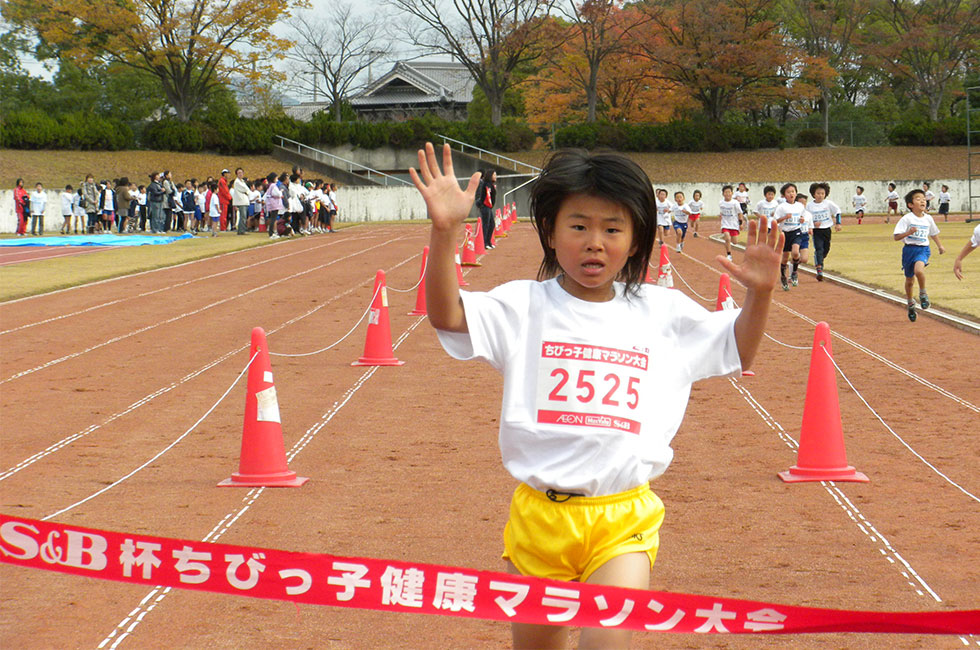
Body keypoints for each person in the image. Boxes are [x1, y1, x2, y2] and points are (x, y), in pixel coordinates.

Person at [409, 142, 782, 650]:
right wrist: (445, 229)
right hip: (540, 516)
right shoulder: (523, 305)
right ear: (550, 232)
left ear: (634, 240)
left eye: (613, 229)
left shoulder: (663, 313)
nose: (595, 243)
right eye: (578, 226)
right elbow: (447, 314)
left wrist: (758, 295)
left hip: (622, 517)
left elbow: (739, 349)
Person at [893, 189, 945, 322]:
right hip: (909, 250)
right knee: (909, 281)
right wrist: (908, 232)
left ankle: (923, 293)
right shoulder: (907, 219)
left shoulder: (928, 218)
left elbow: (933, 233)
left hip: (923, 249)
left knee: (919, 271)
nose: (922, 201)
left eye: (923, 199)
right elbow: (896, 237)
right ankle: (910, 303)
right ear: (910, 205)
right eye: (918, 199)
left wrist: (940, 246)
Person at [773, 182, 805, 291]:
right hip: (785, 233)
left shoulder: (800, 206)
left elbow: (802, 217)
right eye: (788, 192)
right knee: (785, 258)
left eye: (793, 191)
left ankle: (794, 272)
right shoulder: (781, 207)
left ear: (796, 193)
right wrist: (784, 217)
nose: (791, 194)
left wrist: (802, 220)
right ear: (784, 195)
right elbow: (775, 220)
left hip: (796, 231)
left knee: (796, 252)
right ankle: (783, 276)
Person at [807, 182, 841, 282]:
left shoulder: (828, 204)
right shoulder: (809, 206)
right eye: (818, 193)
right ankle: (819, 269)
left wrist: (838, 223)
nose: (820, 195)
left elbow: (837, 211)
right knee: (819, 249)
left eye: (822, 193)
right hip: (816, 231)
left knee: (826, 249)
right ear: (813, 194)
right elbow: (806, 217)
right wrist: (812, 224)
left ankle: (819, 258)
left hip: (826, 229)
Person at [475, 170, 497, 249]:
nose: (495, 176)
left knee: (492, 224)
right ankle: (484, 243)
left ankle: (488, 242)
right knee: (486, 225)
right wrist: (481, 204)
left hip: (489, 207)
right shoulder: (485, 184)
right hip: (485, 206)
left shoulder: (491, 185)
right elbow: (483, 196)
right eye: (494, 175)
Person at [719, 184, 741, 260]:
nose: (727, 194)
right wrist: (721, 215)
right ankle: (729, 254)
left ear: (732, 193)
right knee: (727, 238)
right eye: (726, 192)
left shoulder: (735, 203)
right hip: (725, 224)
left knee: (735, 242)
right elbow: (721, 212)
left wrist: (740, 223)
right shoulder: (721, 203)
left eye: (729, 192)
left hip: (734, 224)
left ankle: (727, 241)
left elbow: (739, 213)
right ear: (723, 194)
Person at [263, 172, 283, 238]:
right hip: (274, 204)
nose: (277, 179)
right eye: (276, 178)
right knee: (273, 219)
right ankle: (271, 233)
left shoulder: (269, 185)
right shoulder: (273, 186)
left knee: (272, 218)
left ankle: (271, 232)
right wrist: (281, 192)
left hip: (271, 204)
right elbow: (277, 194)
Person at [232, 168, 250, 235]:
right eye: (239, 173)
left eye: (241, 172)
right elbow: (245, 189)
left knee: (243, 216)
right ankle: (241, 230)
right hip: (241, 201)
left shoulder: (242, 181)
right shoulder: (237, 182)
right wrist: (247, 192)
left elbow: (247, 189)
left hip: (244, 200)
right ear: (236, 174)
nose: (240, 174)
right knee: (243, 216)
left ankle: (242, 229)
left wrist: (247, 191)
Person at [796, 193, 812, 267]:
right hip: (795, 236)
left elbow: (810, 225)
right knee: (795, 256)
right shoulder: (793, 213)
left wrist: (810, 230)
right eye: (800, 203)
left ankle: (794, 266)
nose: (802, 205)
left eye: (804, 203)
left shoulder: (808, 214)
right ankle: (792, 273)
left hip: (804, 237)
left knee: (804, 259)